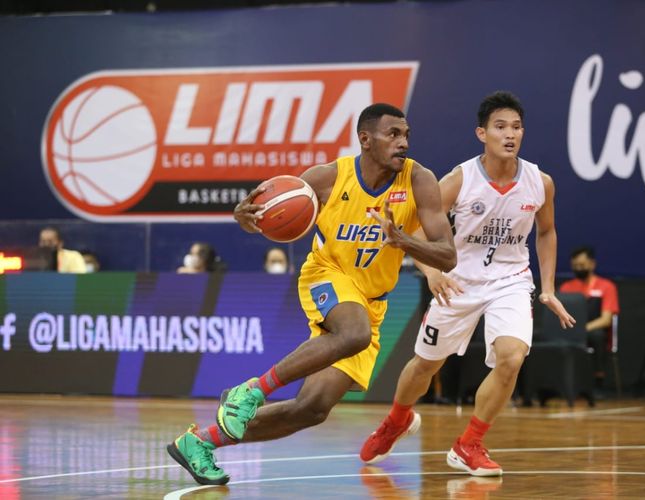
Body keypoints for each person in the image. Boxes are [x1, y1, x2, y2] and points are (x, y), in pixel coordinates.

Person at [167, 103, 457, 485]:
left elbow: (448, 255)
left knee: (312, 408)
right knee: (354, 334)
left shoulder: (419, 180)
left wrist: (401, 239)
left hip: (372, 301)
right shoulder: (325, 178)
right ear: (365, 139)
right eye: (393, 134)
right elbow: (266, 211)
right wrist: (248, 218)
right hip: (328, 273)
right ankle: (251, 390)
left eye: (406, 135)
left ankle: (200, 443)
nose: (402, 142)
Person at [359, 91, 575, 477]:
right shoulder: (460, 180)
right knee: (426, 365)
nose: (510, 135)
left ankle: (469, 443)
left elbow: (547, 233)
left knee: (512, 357)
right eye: (500, 127)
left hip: (510, 281)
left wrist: (548, 288)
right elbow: (412, 228)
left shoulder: (540, 182)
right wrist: (431, 271)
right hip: (458, 281)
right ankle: (397, 420)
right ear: (481, 133)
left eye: (517, 127)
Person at [559, 245, 620, 395]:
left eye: (582, 265)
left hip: (592, 330)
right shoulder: (566, 287)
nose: (578, 268)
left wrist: (583, 329)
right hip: (570, 330)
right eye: (575, 266)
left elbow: (606, 320)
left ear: (592, 264)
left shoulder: (606, 286)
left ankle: (598, 383)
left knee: (598, 336)